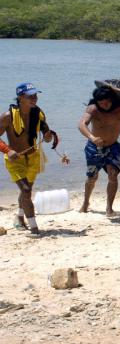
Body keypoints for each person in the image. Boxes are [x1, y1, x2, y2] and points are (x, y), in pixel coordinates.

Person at [0, 82, 55, 235]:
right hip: (14, 159)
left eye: (35, 95)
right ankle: (35, 228)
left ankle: (19, 217)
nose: (34, 99)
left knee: (26, 191)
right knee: (25, 189)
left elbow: (45, 128)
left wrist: (48, 136)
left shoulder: (38, 112)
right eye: (30, 96)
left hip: (33, 156)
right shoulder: (7, 116)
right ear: (20, 97)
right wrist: (7, 150)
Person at [78, 86, 120, 217]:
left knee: (113, 175)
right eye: (101, 103)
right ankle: (85, 202)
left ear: (112, 99)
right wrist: (92, 138)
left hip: (113, 146)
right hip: (94, 147)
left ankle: (109, 208)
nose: (104, 105)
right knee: (92, 177)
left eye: (106, 102)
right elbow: (82, 125)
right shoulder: (93, 109)